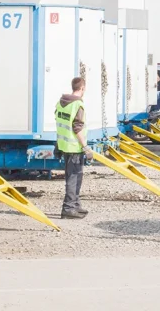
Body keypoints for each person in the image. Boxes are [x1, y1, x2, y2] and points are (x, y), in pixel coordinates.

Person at [55, 77, 93, 218]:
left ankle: (75, 204)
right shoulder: (77, 105)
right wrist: (86, 148)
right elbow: (77, 128)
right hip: (74, 147)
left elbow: (59, 123)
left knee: (76, 177)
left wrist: (57, 144)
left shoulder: (61, 103)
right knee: (73, 178)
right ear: (82, 88)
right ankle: (69, 208)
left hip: (65, 145)